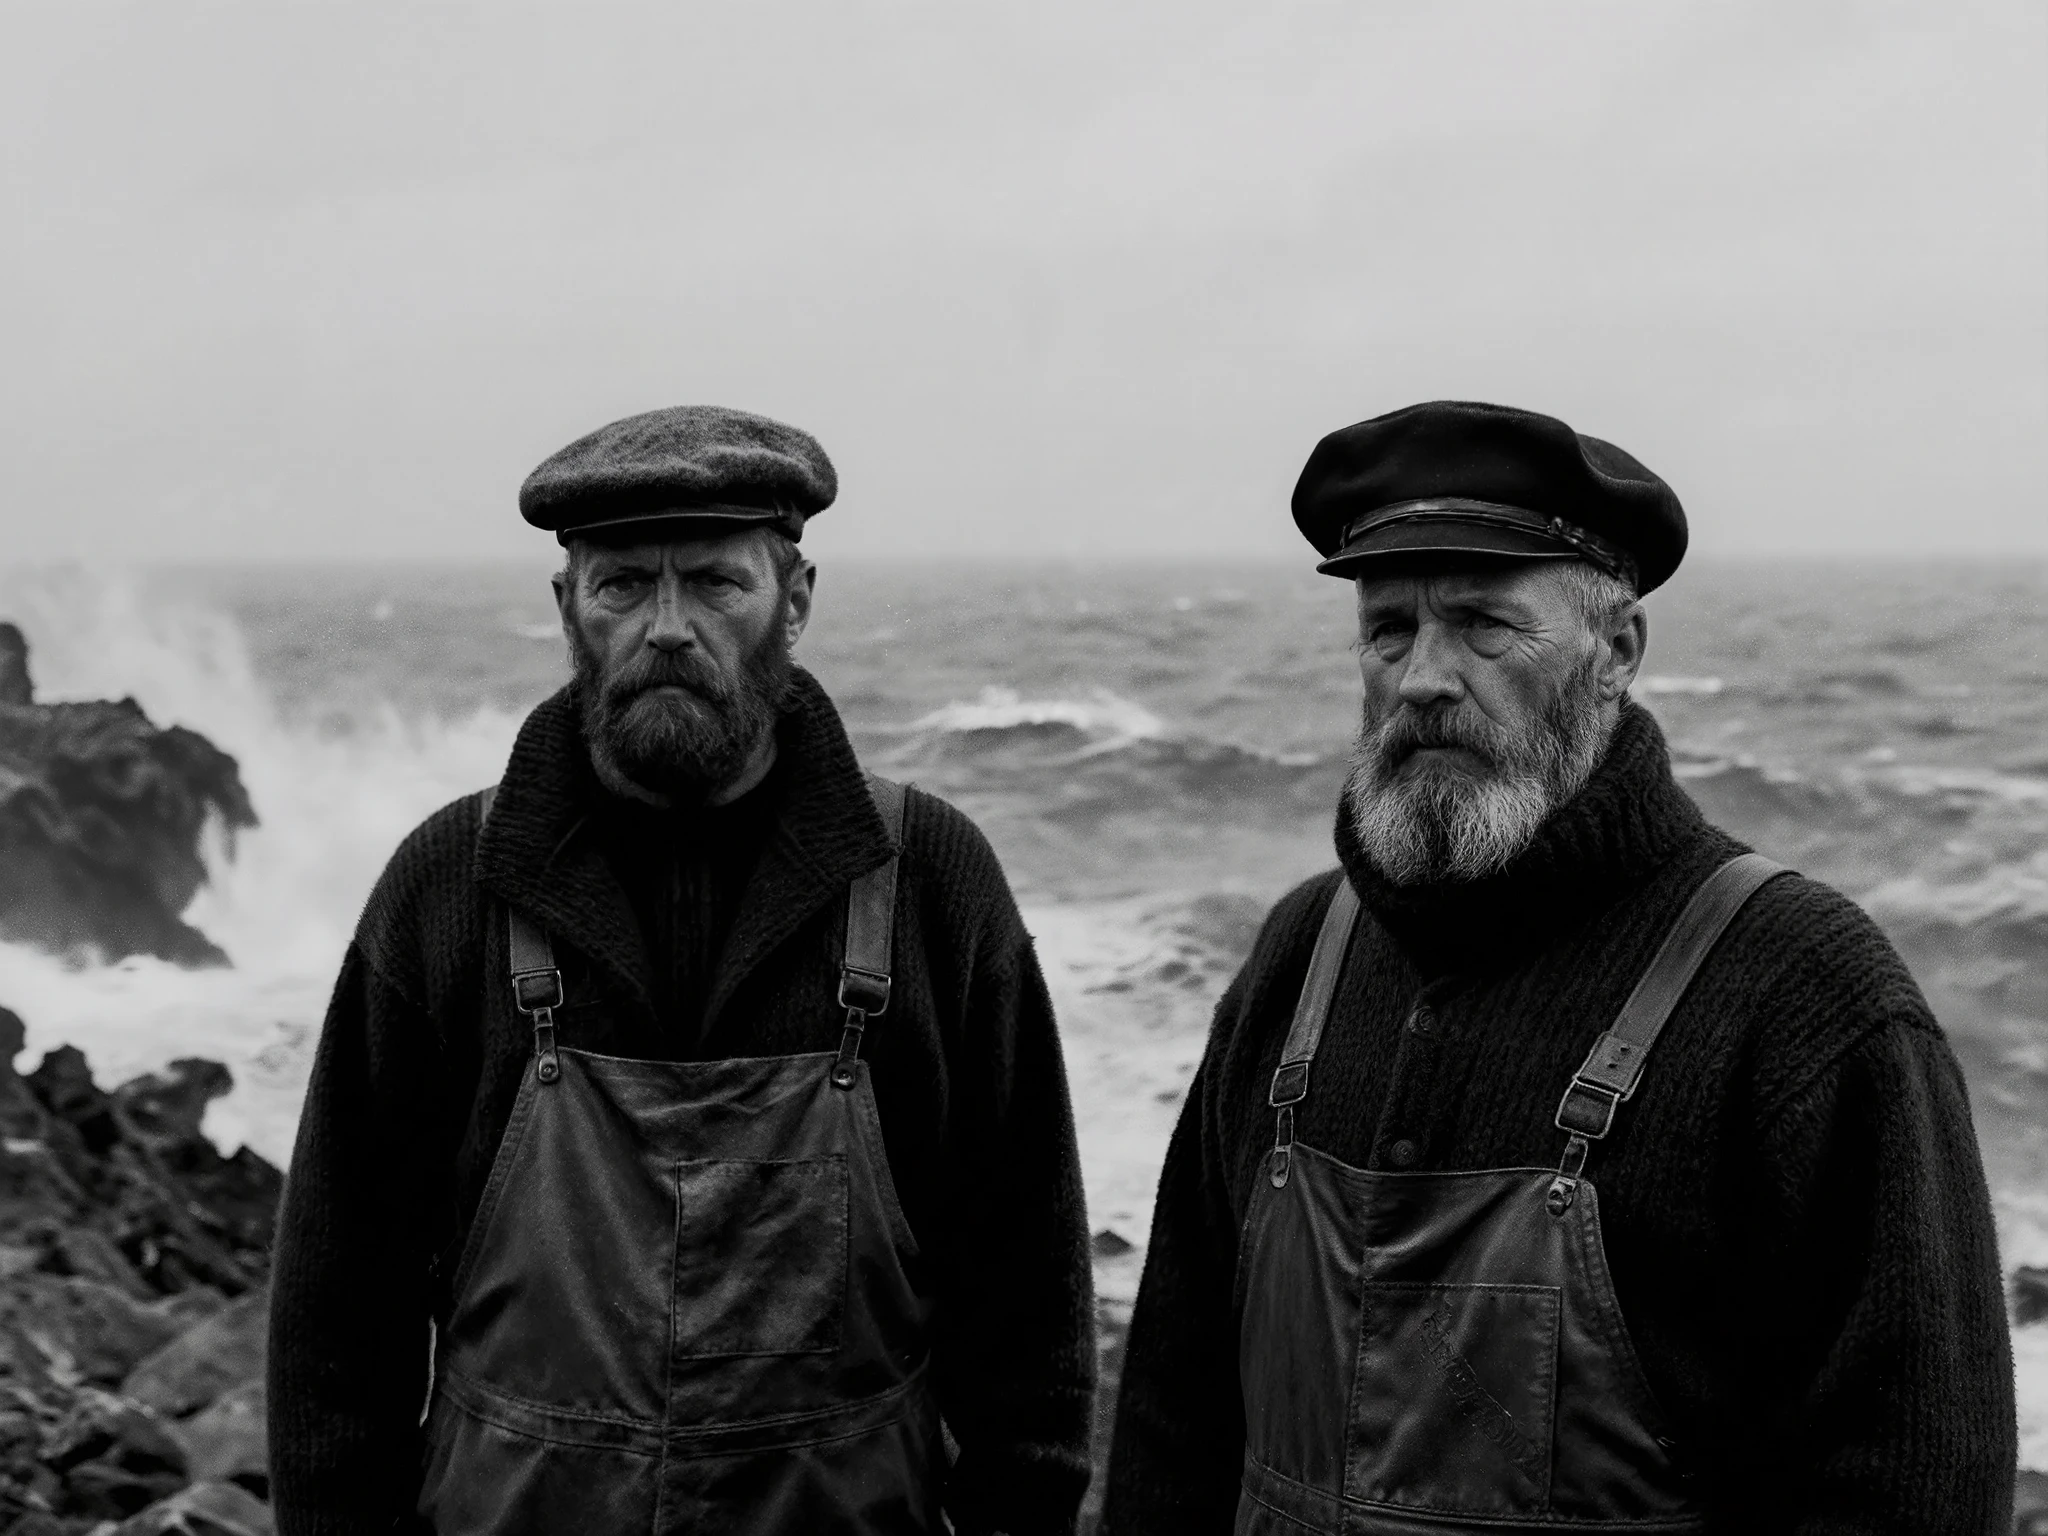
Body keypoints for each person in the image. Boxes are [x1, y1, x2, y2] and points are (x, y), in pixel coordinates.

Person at [1103, 400, 2016, 1534]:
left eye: (1484, 626)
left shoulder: (1801, 992)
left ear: (1615, 651)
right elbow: (1171, 1414)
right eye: (1388, 630)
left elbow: (1909, 1488)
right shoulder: (1300, 955)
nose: (1424, 677)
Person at [269, 405, 1096, 1535]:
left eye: (715, 582)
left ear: (794, 600)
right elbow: (338, 1315)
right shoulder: (446, 890)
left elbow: (1025, 1301)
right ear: (567, 608)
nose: (666, 628)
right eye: (622, 586)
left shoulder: (930, 887)